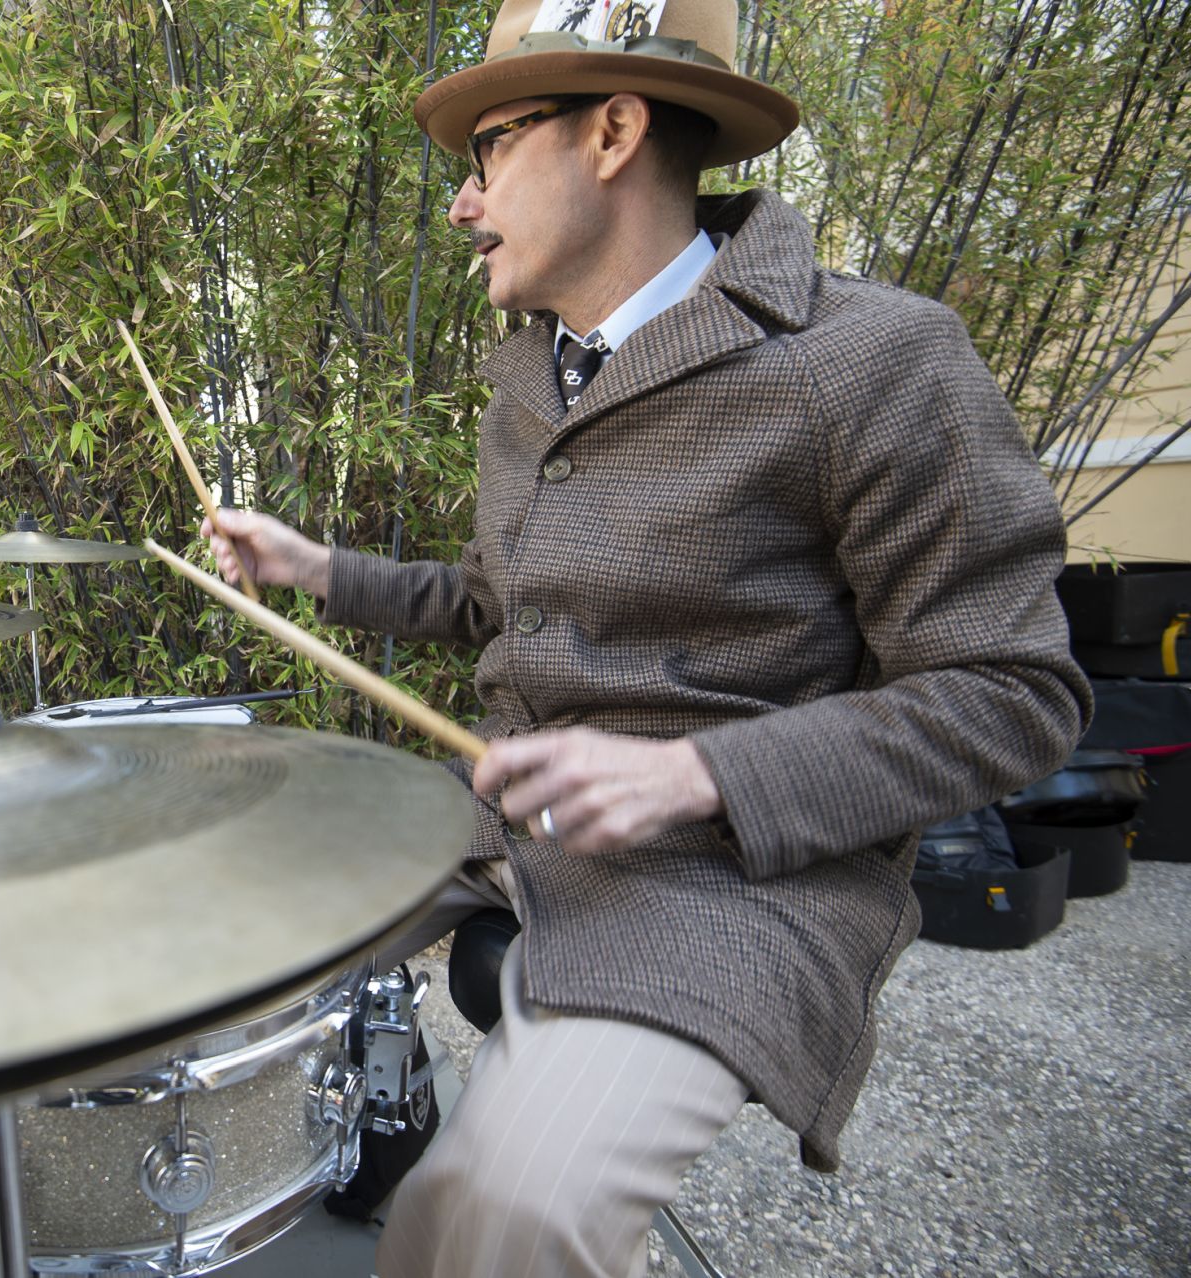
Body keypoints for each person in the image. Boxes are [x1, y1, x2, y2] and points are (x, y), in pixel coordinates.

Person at [202, 2, 1091, 1275]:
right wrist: (316, 571)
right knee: (190, 927)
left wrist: (696, 774)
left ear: (613, 130)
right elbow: (494, 602)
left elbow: (1012, 693)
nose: (462, 205)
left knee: (504, 1216)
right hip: (497, 817)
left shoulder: (878, 362)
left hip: (726, 878)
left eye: (490, 150)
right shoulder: (531, 372)